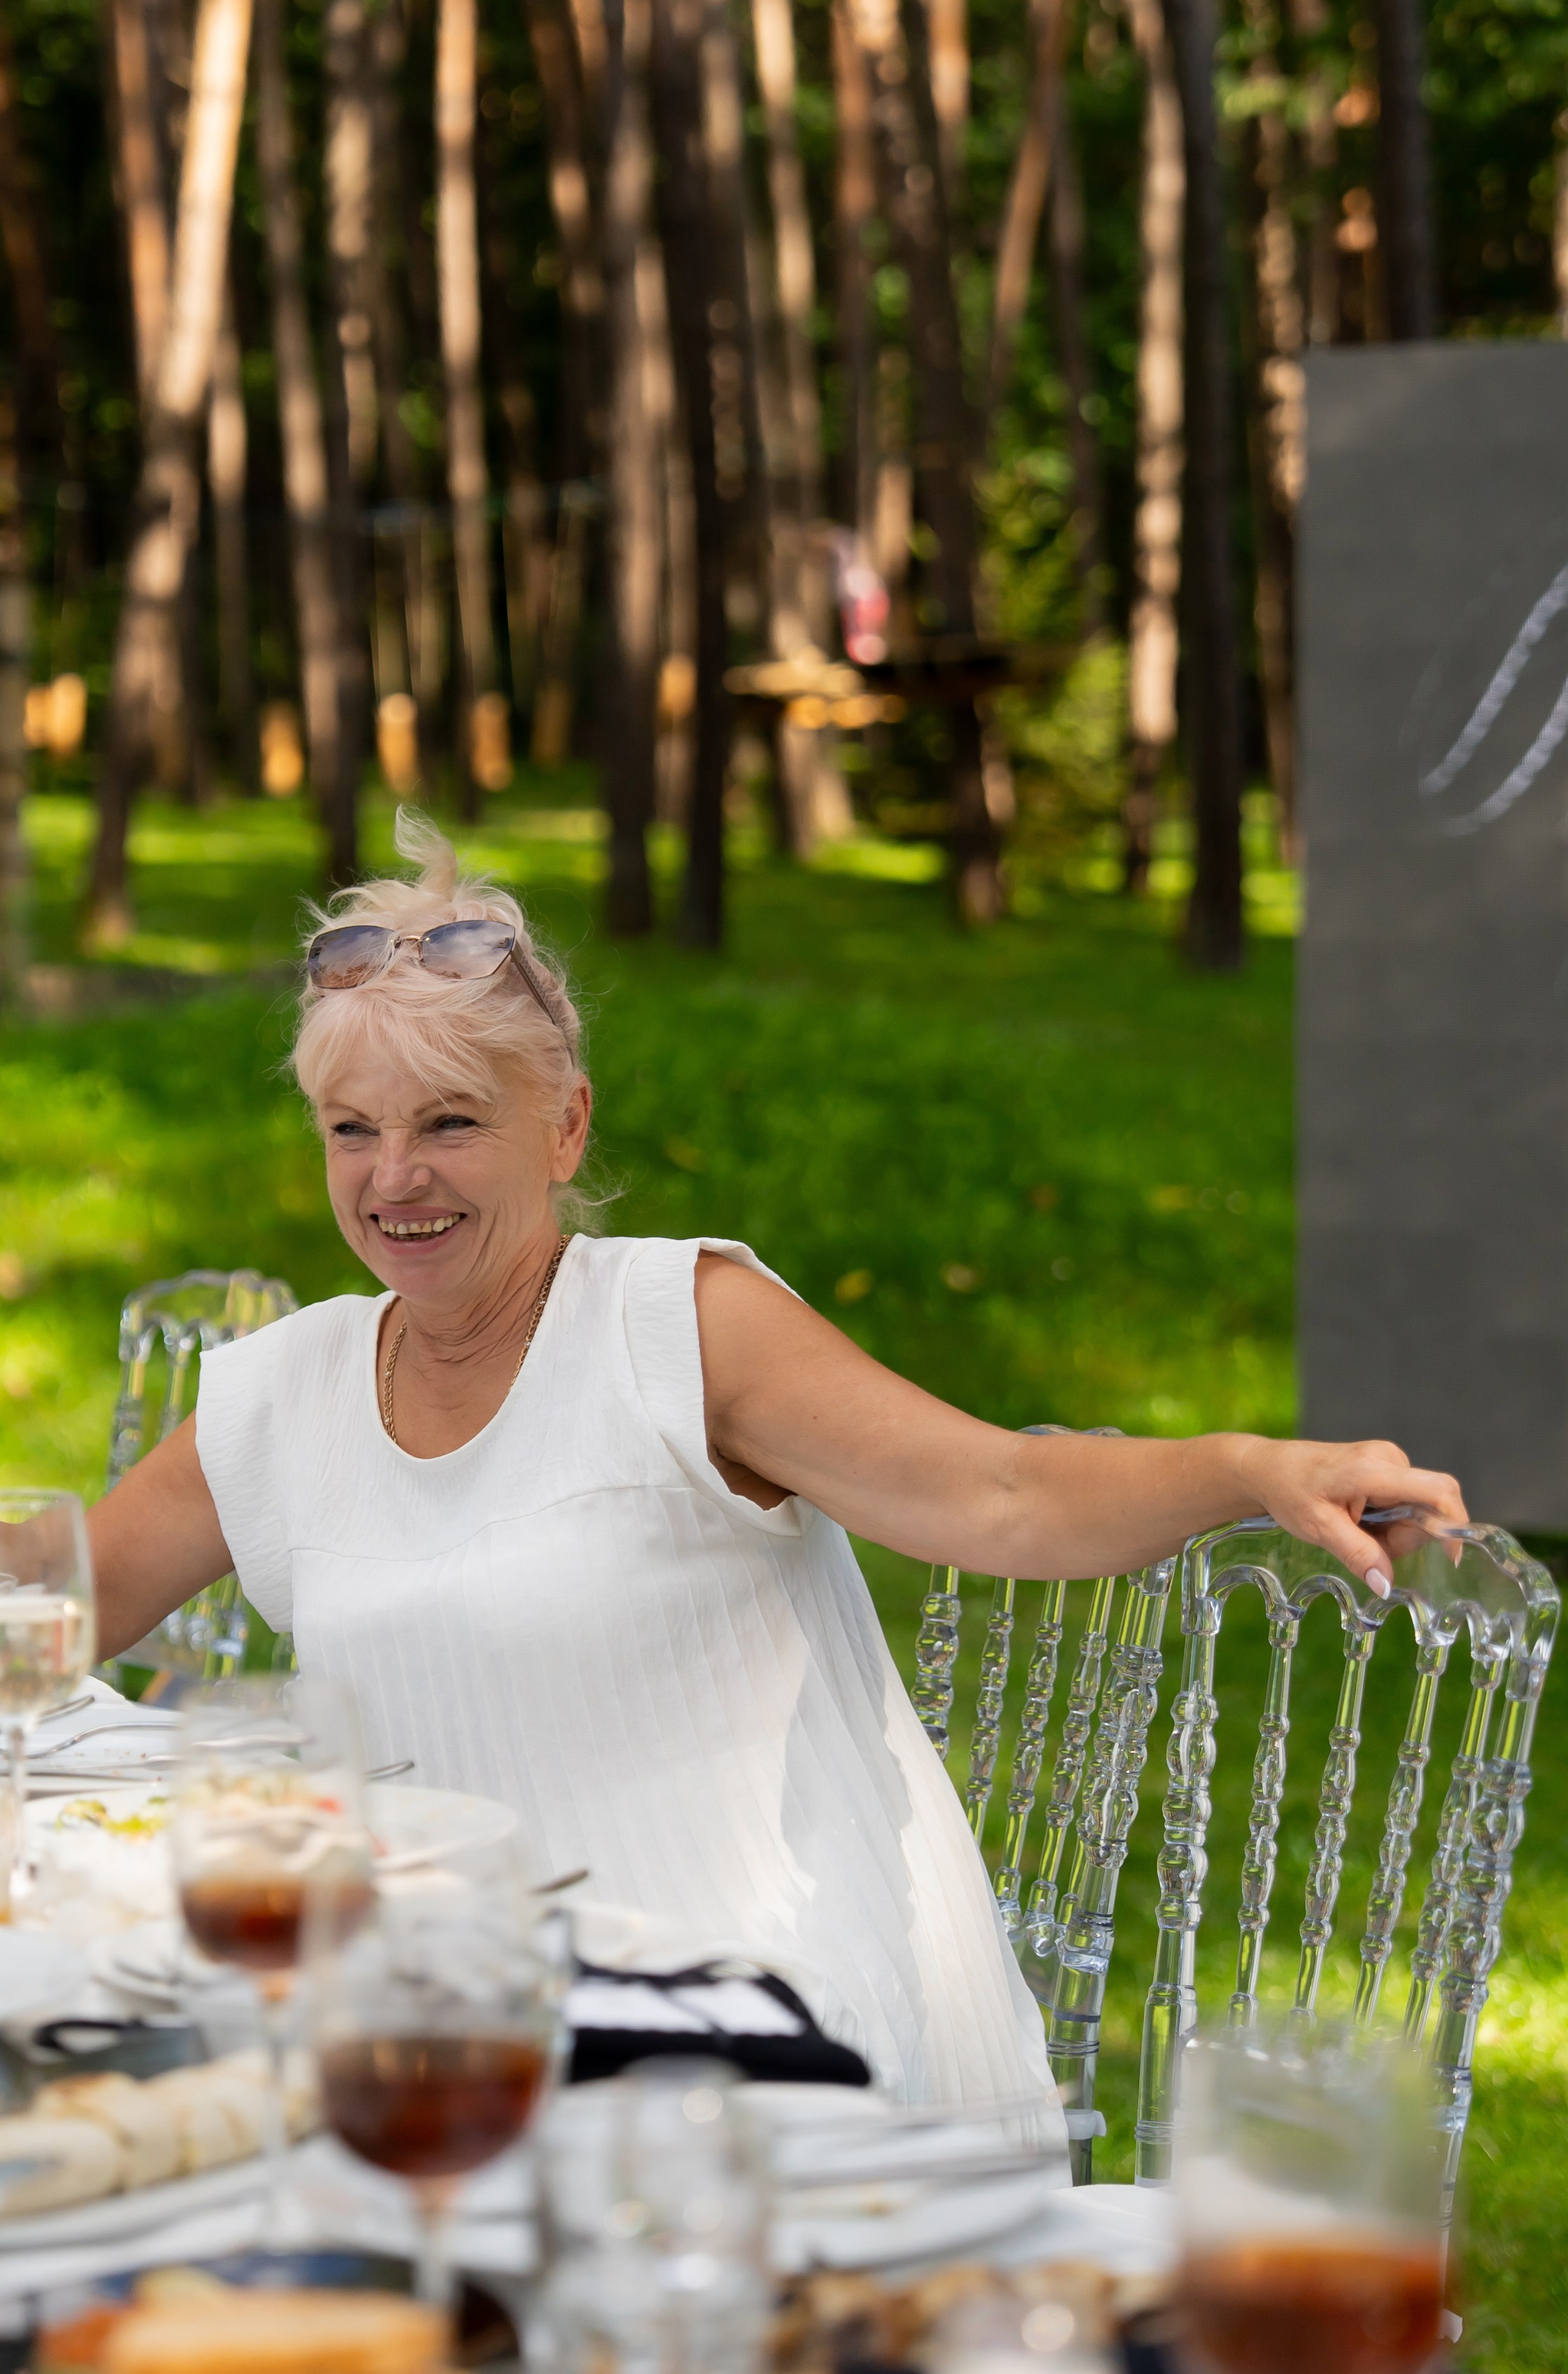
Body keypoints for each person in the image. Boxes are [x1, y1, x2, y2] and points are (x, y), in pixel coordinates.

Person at [91, 813, 1466, 2104]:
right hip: (442, 2037)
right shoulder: (294, 1390)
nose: (396, 1178)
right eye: (354, 1130)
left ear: (563, 1125)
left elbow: (1003, 1495)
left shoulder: (678, 1331)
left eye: (450, 1122)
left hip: (760, 2049)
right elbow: (47, 1600)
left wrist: (1251, 1467)